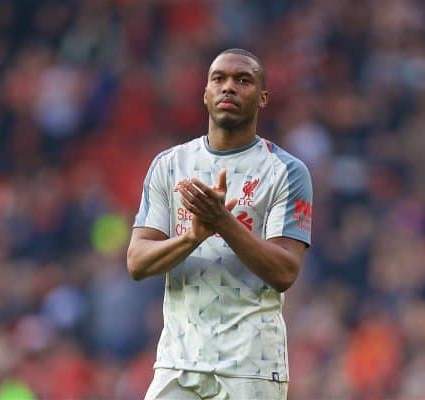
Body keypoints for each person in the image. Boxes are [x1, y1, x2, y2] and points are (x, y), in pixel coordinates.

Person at [127, 48, 313, 400]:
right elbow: (137, 262)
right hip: (178, 363)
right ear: (205, 93)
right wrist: (193, 237)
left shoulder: (286, 172)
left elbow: (285, 271)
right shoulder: (169, 165)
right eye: (219, 79)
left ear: (263, 98)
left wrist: (224, 222)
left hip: (251, 367)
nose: (229, 87)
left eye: (243, 80)